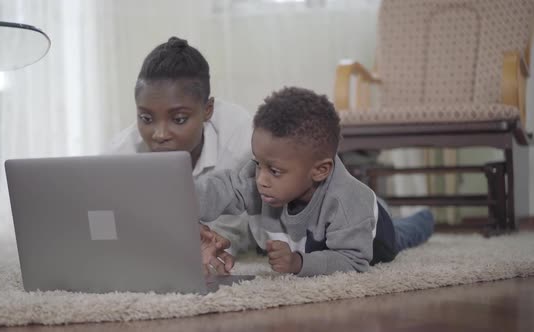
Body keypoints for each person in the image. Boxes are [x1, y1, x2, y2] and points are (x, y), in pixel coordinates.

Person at [196, 87, 434, 276]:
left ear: (320, 171)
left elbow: (352, 260)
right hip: (327, 225)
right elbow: (227, 188)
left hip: (374, 233)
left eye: (275, 171)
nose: (260, 179)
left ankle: (425, 217)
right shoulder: (266, 172)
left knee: (404, 234)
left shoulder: (345, 202)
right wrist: (183, 199)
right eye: (258, 163)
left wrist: (299, 262)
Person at [108, 36, 253, 274]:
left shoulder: (243, 140)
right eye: (146, 118)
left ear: (207, 110)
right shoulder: (121, 154)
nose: (159, 134)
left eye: (178, 119)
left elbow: (235, 228)